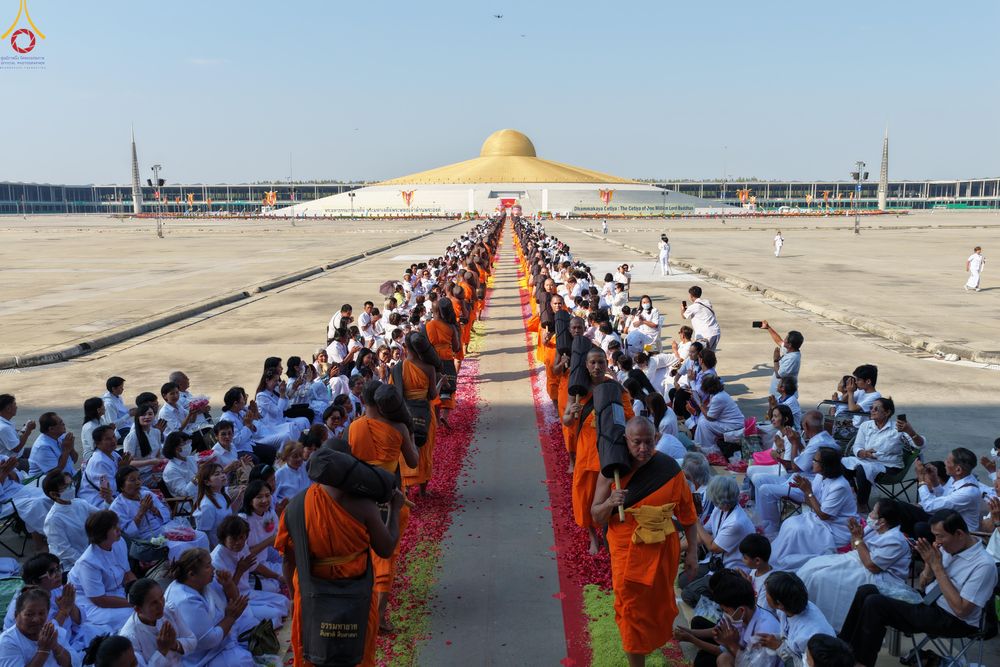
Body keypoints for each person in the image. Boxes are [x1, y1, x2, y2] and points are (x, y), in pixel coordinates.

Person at [275, 446, 406, 667]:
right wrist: (395, 510)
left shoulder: (296, 506)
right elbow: (385, 549)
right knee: (357, 658)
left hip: (310, 597)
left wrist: (294, 597)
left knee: (312, 656)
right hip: (356, 597)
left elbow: (288, 561)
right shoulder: (363, 505)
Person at [592, 416, 698, 667]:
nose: (643, 449)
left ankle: (648, 644)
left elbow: (688, 514)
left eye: (648, 442)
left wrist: (692, 551)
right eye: (636, 442)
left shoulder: (669, 469)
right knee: (629, 611)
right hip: (627, 551)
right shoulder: (612, 471)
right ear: (626, 441)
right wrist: (610, 502)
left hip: (662, 550)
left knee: (658, 608)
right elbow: (596, 515)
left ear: (656, 439)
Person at [839, 511, 998, 667]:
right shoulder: (949, 547)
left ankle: (861, 663)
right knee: (866, 590)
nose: (937, 541)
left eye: (940, 536)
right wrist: (929, 565)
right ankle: (841, 650)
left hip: (954, 619)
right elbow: (922, 585)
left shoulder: (983, 565)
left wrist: (938, 568)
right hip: (928, 602)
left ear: (959, 534)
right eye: (935, 536)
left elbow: (962, 610)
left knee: (876, 604)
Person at [347, 381, 418, 631]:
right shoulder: (397, 426)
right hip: (390, 498)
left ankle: (360, 608)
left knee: (361, 553)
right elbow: (412, 461)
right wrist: (408, 432)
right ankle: (379, 617)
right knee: (385, 556)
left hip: (357, 501)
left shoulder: (353, 428)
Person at [798, 499, 912, 631]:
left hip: (878, 577)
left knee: (822, 577)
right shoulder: (874, 527)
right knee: (813, 565)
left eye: (873, 512)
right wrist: (855, 535)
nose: (870, 514)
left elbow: (872, 565)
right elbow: (855, 548)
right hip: (859, 561)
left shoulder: (895, 540)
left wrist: (858, 540)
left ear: (882, 521)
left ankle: (829, 623)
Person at [564, 347, 634, 554]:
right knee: (585, 497)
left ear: (606, 364)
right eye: (592, 362)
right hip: (586, 453)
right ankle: (592, 536)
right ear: (586, 365)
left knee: (609, 497)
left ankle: (608, 532)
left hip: (611, 451)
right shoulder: (578, 390)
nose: (596, 367)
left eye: (600, 362)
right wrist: (572, 413)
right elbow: (567, 421)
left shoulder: (616, 389)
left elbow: (629, 418)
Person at [753, 410, 840, 538]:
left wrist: (793, 443)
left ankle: (770, 531)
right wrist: (797, 442)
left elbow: (795, 467)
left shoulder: (817, 443)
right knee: (759, 480)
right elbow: (805, 455)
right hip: (800, 480)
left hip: (807, 486)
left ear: (806, 426)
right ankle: (762, 521)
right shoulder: (824, 437)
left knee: (766, 490)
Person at [162, 548, 254, 666]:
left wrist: (228, 584)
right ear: (191, 574)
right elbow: (208, 640)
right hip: (202, 655)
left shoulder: (203, 580)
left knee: (254, 626)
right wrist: (230, 618)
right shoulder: (185, 600)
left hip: (224, 634)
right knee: (242, 662)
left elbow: (234, 600)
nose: (213, 569)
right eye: (208, 566)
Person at [769, 448, 856, 570]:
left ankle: (784, 560)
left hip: (836, 527)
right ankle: (776, 557)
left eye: (815, 460)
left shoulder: (840, 486)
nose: (812, 462)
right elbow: (809, 502)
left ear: (825, 465)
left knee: (796, 530)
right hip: (818, 518)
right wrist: (804, 490)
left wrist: (808, 491)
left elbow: (824, 515)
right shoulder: (820, 477)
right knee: (789, 524)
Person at [673, 570, 781, 667]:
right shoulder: (740, 615)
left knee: (719, 659)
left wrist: (731, 644)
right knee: (710, 653)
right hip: (740, 654)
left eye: (726, 610)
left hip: (752, 661)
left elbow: (747, 662)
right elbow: (721, 647)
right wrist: (689, 633)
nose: (724, 614)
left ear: (741, 610)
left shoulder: (765, 633)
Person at [678, 475, 755, 606]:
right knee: (683, 581)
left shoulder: (736, 522)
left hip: (732, 570)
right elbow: (703, 535)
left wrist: (695, 522)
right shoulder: (720, 510)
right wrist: (676, 547)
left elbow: (713, 547)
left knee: (688, 595)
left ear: (721, 500)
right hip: (717, 562)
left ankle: (725, 603)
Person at [110, 466, 210, 561]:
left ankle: (205, 565)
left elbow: (166, 514)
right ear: (122, 486)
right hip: (150, 539)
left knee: (201, 536)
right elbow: (128, 533)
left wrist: (153, 509)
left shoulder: (145, 493)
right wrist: (141, 512)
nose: (138, 483)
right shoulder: (117, 506)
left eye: (139, 478)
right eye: (132, 480)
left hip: (166, 528)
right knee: (181, 547)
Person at [3, 553, 97, 653]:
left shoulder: (56, 589)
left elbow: (80, 621)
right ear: (35, 581)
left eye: (58, 568)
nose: (58, 574)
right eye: (51, 572)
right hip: (39, 649)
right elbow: (42, 636)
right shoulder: (27, 604)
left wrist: (71, 605)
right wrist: (63, 611)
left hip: (69, 639)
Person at [841, 397, 923, 511]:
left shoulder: (897, 429)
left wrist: (910, 431)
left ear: (887, 412)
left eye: (876, 408)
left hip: (889, 467)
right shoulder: (866, 426)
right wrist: (863, 453)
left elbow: (920, 445)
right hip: (866, 461)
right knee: (841, 463)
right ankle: (853, 494)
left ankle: (862, 504)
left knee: (862, 469)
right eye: (871, 408)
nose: (872, 411)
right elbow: (857, 446)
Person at [210, 516, 289, 628]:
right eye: (233, 539)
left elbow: (256, 566)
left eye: (242, 538)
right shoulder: (217, 560)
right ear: (224, 538)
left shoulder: (242, 547)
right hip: (235, 602)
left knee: (284, 601)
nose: (238, 542)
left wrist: (278, 577)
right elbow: (225, 595)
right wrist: (240, 570)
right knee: (275, 614)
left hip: (247, 593)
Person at [66, 510, 135, 634]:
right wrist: (134, 602)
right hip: (89, 602)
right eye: (114, 528)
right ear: (102, 534)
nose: (119, 529)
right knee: (130, 615)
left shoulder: (119, 543)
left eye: (117, 525)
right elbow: (99, 600)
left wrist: (141, 591)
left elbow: (127, 573)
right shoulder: (88, 562)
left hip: (114, 592)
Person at [897, 447, 983, 541]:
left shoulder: (968, 492)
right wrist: (934, 480)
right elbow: (943, 498)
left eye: (948, 461)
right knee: (903, 508)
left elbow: (929, 506)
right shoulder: (957, 478)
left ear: (958, 470)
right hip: (948, 524)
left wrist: (921, 479)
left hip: (960, 535)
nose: (945, 463)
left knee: (919, 526)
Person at [392, 331, 439, 496]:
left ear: (405, 347)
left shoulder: (398, 369)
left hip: (405, 415)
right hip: (425, 414)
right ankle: (423, 491)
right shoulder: (429, 368)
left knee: (406, 450)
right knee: (425, 448)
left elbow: (393, 395)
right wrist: (441, 384)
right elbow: (433, 395)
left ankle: (406, 489)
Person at [755, 572, 834, 666]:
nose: (764, 594)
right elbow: (788, 635)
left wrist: (779, 647)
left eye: (766, 592)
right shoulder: (787, 608)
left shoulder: (809, 636)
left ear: (779, 603)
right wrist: (775, 638)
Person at [120, 577, 196, 667]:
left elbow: (192, 641)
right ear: (138, 609)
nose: (161, 605)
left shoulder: (169, 610)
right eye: (154, 603)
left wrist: (174, 644)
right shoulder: (130, 638)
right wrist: (162, 651)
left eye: (161, 597)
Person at [42, 471, 106, 572]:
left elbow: (103, 516)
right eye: (66, 486)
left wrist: (107, 499)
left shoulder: (79, 503)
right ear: (54, 494)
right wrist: (89, 563)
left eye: (71, 484)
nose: (72, 488)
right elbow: (65, 551)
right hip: (71, 565)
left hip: (89, 554)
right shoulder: (53, 519)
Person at [0, 587, 79, 667]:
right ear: (17, 615)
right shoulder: (7, 642)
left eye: (41, 613)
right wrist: (43, 650)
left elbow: (73, 663)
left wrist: (55, 646)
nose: (36, 619)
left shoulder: (51, 632)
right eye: (29, 614)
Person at [689, 375, 744, 457]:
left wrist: (699, 403)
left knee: (704, 423)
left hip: (734, 426)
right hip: (730, 423)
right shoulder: (716, 395)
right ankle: (703, 445)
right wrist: (699, 401)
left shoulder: (718, 398)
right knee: (702, 419)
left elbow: (710, 417)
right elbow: (708, 411)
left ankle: (706, 448)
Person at [193, 463, 235, 549]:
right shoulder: (207, 505)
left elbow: (229, 513)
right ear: (207, 482)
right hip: (217, 547)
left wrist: (239, 498)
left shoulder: (222, 494)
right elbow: (203, 534)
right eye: (217, 474)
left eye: (222, 472)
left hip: (228, 541)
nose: (223, 475)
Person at [758, 321, 802, 398]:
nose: (784, 340)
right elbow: (779, 341)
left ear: (790, 345)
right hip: (778, 394)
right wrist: (768, 328)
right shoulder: (790, 350)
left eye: (786, 339)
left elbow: (779, 375)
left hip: (784, 396)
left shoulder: (792, 359)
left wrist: (776, 360)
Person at [29, 412, 78, 478]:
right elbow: (55, 474)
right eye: (61, 423)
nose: (64, 424)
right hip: (48, 483)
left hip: (68, 477)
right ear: (51, 429)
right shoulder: (42, 447)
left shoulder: (61, 437)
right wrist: (66, 450)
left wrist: (71, 448)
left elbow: (74, 460)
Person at [738, 534, 775, 612]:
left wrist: (747, 587)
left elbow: (760, 611)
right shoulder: (755, 570)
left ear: (757, 561)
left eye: (745, 558)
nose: (742, 560)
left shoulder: (769, 583)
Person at [681, 286, 720, 350]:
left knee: (700, 355)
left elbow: (684, 316)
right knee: (710, 355)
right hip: (716, 332)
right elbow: (701, 310)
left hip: (705, 335)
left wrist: (682, 309)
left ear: (691, 296)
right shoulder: (707, 302)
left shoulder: (693, 307)